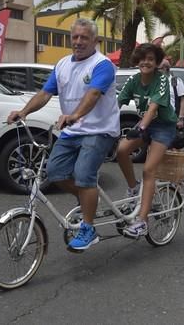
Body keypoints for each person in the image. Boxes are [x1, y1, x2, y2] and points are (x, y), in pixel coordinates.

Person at [7, 18, 120, 252]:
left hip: (99, 130)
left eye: (84, 38)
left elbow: (94, 93)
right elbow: (45, 93)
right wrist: (24, 111)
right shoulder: (62, 65)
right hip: (72, 131)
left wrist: (76, 114)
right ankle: (87, 198)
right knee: (54, 172)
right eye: (75, 37)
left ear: (95, 41)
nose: (78, 42)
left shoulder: (102, 65)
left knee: (83, 174)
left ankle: (89, 229)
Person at [116, 44, 177, 238]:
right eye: (142, 59)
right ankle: (134, 189)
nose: (146, 62)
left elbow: (152, 108)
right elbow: (116, 103)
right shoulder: (133, 80)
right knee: (122, 150)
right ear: (137, 61)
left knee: (149, 170)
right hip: (145, 125)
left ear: (157, 62)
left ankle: (141, 221)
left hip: (163, 128)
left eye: (151, 59)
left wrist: (141, 128)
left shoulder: (161, 80)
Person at [159, 59, 184, 149]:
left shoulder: (175, 81)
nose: (156, 71)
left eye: (159, 69)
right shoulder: (154, 81)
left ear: (166, 69)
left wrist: (180, 118)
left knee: (168, 144)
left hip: (171, 118)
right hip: (156, 119)